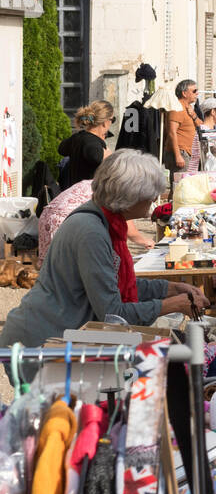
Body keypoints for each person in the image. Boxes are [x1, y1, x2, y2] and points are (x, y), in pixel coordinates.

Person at [0, 151, 205, 352]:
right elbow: (113, 312)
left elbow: (112, 286)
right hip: (41, 342)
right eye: (150, 196)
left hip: (54, 334)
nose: (153, 201)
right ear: (130, 197)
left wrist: (172, 289)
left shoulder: (104, 222)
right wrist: (174, 304)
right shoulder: (92, 232)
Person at [58, 101, 115, 187]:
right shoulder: (93, 143)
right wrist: (108, 156)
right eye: (112, 120)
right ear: (105, 122)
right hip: (89, 196)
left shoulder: (78, 137)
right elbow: (95, 156)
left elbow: (61, 149)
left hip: (73, 192)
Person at [167, 79, 201, 175]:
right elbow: (171, 132)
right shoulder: (177, 108)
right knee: (179, 186)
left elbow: (202, 126)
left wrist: (194, 115)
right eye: (194, 91)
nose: (197, 93)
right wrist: (178, 155)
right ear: (184, 93)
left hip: (186, 152)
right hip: (180, 152)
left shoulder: (188, 108)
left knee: (183, 186)